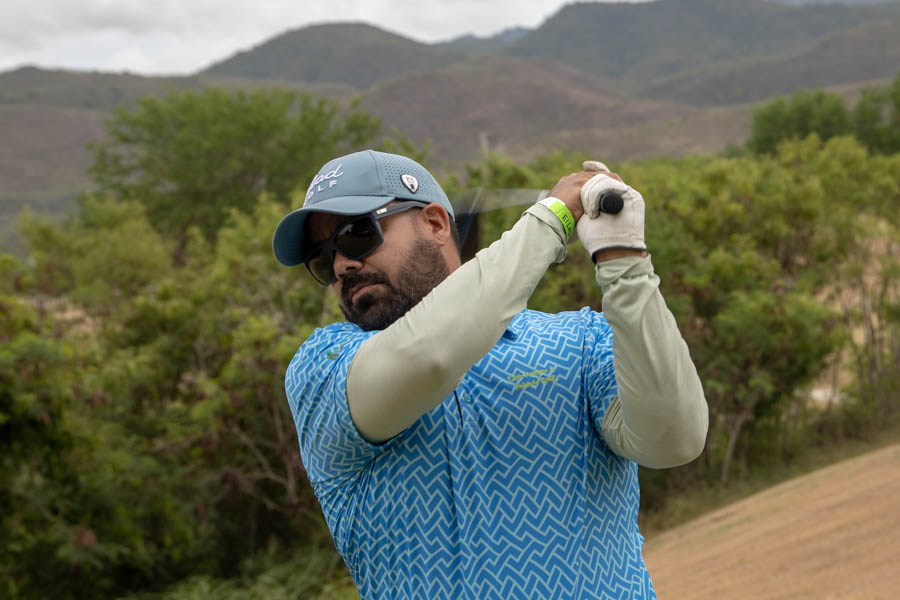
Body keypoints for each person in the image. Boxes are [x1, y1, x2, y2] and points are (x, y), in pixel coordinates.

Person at [273, 149, 708, 599]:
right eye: (322, 258)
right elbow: (429, 356)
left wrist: (624, 260)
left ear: (436, 224)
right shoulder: (321, 369)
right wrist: (552, 219)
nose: (341, 265)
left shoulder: (579, 340)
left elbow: (674, 438)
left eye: (356, 234)